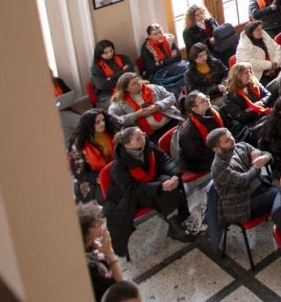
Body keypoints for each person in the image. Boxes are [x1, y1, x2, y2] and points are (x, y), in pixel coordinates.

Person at [103, 126, 198, 256]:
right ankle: (176, 226)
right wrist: (160, 187)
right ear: (128, 145)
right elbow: (132, 188)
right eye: (138, 138)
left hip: (150, 182)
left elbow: (164, 160)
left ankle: (175, 224)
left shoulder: (148, 146)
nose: (143, 137)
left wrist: (175, 175)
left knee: (170, 185)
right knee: (165, 193)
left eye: (142, 134)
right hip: (132, 196)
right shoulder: (119, 166)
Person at [208, 126, 278, 229]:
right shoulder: (218, 168)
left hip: (260, 188)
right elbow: (243, 180)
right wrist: (256, 166)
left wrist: (266, 157)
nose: (232, 140)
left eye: (231, 136)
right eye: (227, 141)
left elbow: (264, 154)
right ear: (217, 149)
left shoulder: (241, 146)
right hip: (243, 204)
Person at [109, 73, 180, 141]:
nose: (139, 83)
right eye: (134, 83)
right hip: (149, 135)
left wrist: (157, 106)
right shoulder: (118, 102)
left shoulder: (152, 88)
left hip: (171, 120)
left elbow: (171, 97)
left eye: (138, 80)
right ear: (126, 89)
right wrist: (136, 115)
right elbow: (113, 120)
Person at [69, 109, 121, 202]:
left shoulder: (111, 132)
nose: (102, 124)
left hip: (115, 170)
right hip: (93, 179)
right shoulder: (78, 144)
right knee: (112, 196)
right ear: (89, 125)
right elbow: (80, 172)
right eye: (97, 122)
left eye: (103, 120)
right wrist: (101, 177)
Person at [79, 201, 124, 302]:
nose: (102, 225)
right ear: (86, 233)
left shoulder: (88, 245)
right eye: (98, 224)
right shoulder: (90, 269)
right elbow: (121, 287)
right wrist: (109, 253)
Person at [175, 90, 225, 175]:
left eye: (206, 97)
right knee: (226, 159)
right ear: (195, 109)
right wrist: (220, 146)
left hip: (217, 146)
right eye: (203, 101)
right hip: (200, 160)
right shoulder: (189, 131)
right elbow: (197, 155)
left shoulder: (214, 110)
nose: (208, 100)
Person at [220, 61, 272, 141]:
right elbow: (242, 117)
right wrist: (257, 109)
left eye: (250, 72)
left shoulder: (254, 83)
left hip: (260, 116)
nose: (249, 75)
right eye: (246, 73)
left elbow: (268, 95)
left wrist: (260, 103)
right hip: (246, 126)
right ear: (237, 75)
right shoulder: (229, 96)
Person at [137, 23, 187, 91]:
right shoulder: (146, 48)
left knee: (188, 67)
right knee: (182, 74)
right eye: (155, 34)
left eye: (160, 32)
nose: (159, 35)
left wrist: (162, 62)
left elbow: (178, 57)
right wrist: (171, 59)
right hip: (158, 73)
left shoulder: (168, 40)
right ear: (150, 36)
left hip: (173, 67)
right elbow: (151, 68)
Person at [90, 40, 132, 106]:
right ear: (99, 54)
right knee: (123, 106)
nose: (110, 54)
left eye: (111, 51)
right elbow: (102, 85)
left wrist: (111, 77)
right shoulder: (96, 67)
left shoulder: (122, 57)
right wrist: (123, 74)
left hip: (127, 88)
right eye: (106, 53)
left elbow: (131, 71)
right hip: (108, 94)